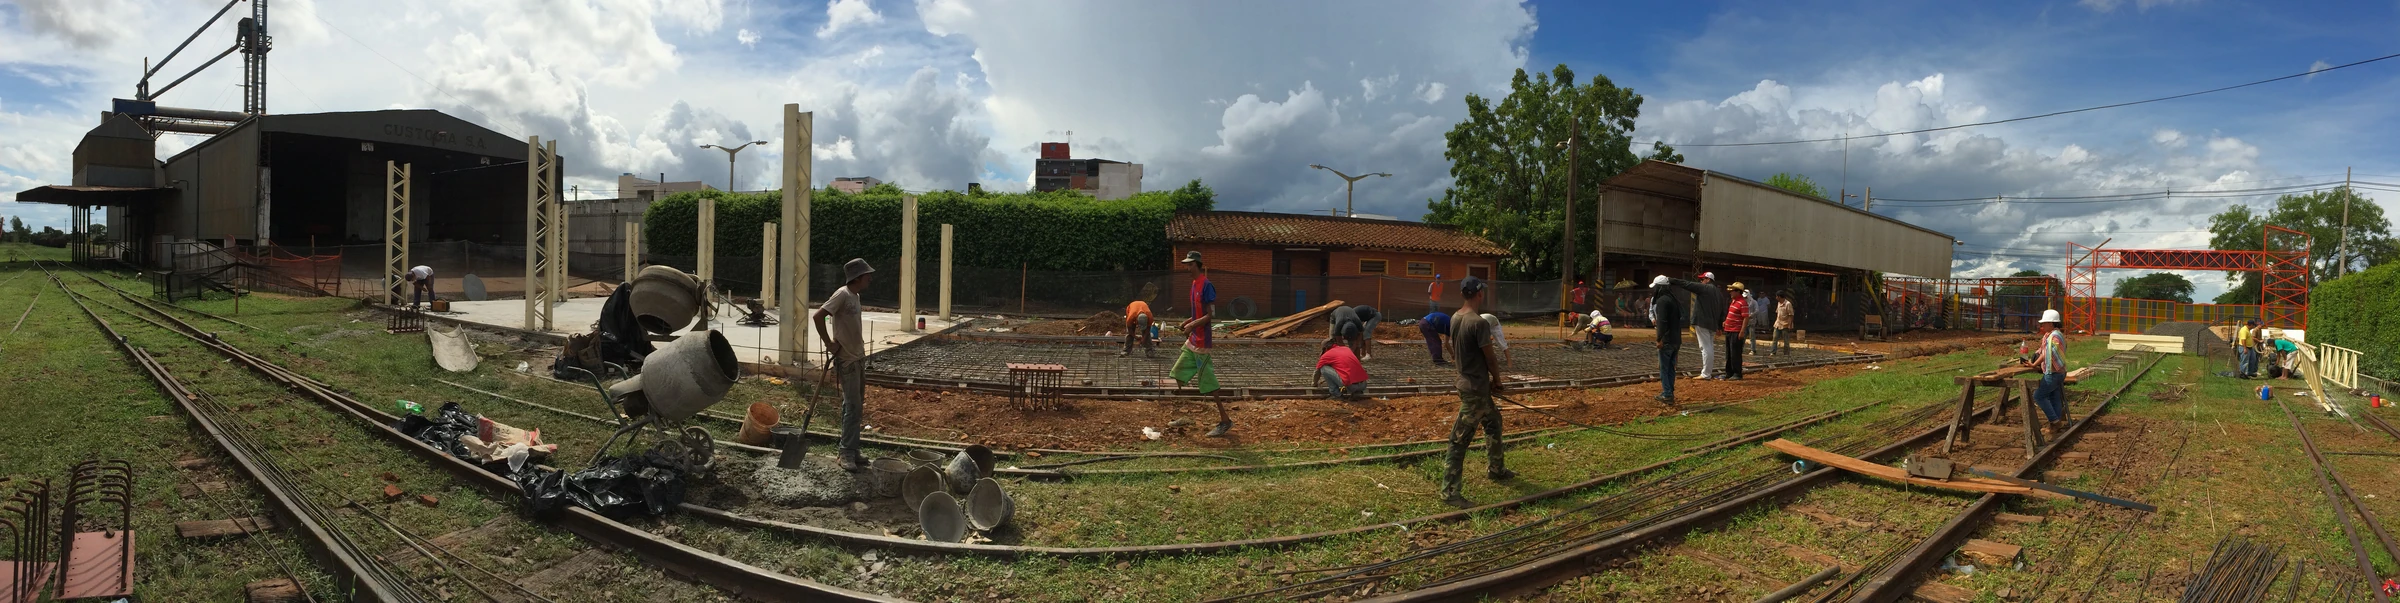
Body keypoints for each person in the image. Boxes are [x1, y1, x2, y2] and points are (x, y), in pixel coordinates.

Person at [1440, 277, 1510, 508]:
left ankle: (1497, 468)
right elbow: (1490, 358)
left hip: (1467, 383)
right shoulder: (1479, 323)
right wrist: (1497, 380)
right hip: (1476, 389)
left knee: (1493, 422)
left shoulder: (1455, 317)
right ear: (1480, 294)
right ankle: (1450, 493)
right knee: (1458, 441)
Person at [811, 258, 875, 471]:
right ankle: (846, 452)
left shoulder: (855, 296)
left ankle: (852, 449)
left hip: (858, 358)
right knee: (852, 406)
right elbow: (818, 316)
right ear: (857, 277)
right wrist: (829, 344)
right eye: (867, 275)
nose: (870, 278)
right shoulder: (842, 294)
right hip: (847, 360)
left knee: (855, 407)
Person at [1170, 251, 1234, 437]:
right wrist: (1187, 321)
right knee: (1178, 374)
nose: (1187, 268)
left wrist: (1192, 325)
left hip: (1202, 343)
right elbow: (1197, 313)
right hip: (1192, 341)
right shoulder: (1193, 284)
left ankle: (1225, 421)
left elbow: (1210, 315)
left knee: (1209, 384)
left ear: (1197, 265)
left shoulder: (1206, 285)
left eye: (1190, 265)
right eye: (1186, 264)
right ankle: (1185, 414)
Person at [1648, 275, 1699, 405]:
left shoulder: (1662, 301)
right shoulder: (1672, 300)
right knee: (1671, 368)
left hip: (1667, 340)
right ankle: (1669, 392)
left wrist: (1659, 338)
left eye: (1655, 287)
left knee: (1664, 369)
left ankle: (1667, 394)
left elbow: (1662, 322)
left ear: (1660, 288)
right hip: (1676, 339)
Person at [2027, 309, 2069, 434]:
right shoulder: (2053, 335)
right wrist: (2033, 359)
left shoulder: (2054, 337)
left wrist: (2034, 364)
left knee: (2038, 396)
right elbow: (2042, 350)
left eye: (2044, 323)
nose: (2042, 326)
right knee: (2053, 396)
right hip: (2060, 372)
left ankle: (2054, 421)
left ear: (2051, 323)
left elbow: (2047, 353)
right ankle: (2056, 424)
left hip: (2053, 373)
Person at [1688, 272, 1728, 380]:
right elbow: (1722, 311)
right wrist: (1719, 326)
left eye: (1702, 279)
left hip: (1703, 323)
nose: (1701, 281)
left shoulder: (1705, 289)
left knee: (1705, 348)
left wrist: (1672, 281)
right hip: (1712, 324)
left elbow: (1688, 285)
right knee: (1709, 347)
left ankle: (1706, 374)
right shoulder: (1719, 294)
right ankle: (1707, 372)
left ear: (1708, 280)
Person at [1721, 282, 1751, 380]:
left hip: (1736, 331)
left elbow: (1746, 317)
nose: (1730, 292)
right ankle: (1729, 372)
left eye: (1732, 290)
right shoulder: (1733, 301)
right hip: (1729, 330)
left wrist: (1742, 331)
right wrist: (1726, 321)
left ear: (1738, 292)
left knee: (1735, 353)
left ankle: (1737, 373)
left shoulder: (1742, 303)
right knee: (1729, 353)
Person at [1772, 291, 1797, 356]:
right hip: (1778, 324)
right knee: (1775, 338)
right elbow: (1777, 313)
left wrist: (1790, 325)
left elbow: (1791, 315)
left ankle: (1786, 354)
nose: (1776, 297)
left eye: (1776, 296)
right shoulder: (1778, 303)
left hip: (1785, 324)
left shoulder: (1788, 304)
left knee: (1786, 340)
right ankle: (1773, 352)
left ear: (1779, 297)